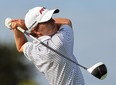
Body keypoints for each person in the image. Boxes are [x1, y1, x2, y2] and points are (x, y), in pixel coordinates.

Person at [9, 7, 85, 85]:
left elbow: (21, 46)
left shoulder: (34, 50)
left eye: (51, 18)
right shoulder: (60, 42)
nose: (53, 21)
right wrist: (25, 24)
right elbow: (66, 21)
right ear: (35, 30)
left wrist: (16, 29)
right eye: (46, 21)